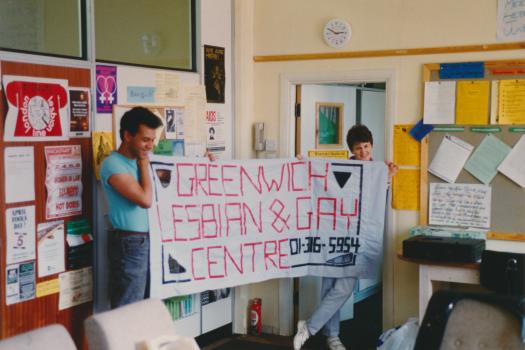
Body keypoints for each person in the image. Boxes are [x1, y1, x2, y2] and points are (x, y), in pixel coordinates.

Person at [293, 124, 398, 350]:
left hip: (359, 238)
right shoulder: (342, 166)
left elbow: (380, 199)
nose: (363, 152)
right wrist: (303, 164)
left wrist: (387, 177)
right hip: (334, 234)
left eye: (367, 147)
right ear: (351, 149)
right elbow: (319, 179)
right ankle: (332, 336)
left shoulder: (379, 170)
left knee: (344, 287)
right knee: (329, 285)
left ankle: (309, 328)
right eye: (358, 148)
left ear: (372, 145)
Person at [100, 106, 163, 308]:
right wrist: (144, 164)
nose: (150, 146)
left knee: (146, 308)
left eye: (153, 140)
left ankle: (141, 341)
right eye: (145, 140)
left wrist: (207, 162)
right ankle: (123, 342)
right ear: (127, 135)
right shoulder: (113, 164)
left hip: (149, 240)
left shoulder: (142, 160)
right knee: (129, 309)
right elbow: (145, 200)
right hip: (130, 243)